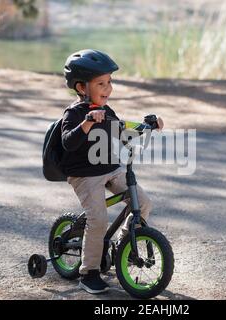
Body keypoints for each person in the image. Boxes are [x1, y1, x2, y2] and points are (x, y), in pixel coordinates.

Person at [60, 49, 164, 294]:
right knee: (98, 219)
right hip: (84, 175)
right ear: (82, 88)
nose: (108, 88)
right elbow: (68, 142)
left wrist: (148, 124)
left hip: (110, 168)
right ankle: (88, 273)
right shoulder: (74, 113)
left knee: (143, 203)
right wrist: (87, 122)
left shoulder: (107, 111)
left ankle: (125, 245)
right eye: (100, 83)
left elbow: (122, 131)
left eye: (109, 82)